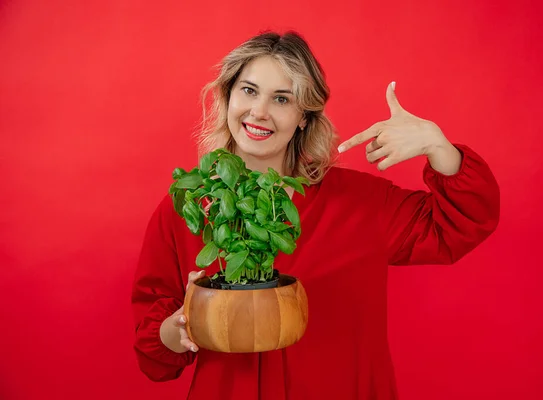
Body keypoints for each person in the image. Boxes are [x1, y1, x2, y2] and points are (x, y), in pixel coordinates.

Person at [131, 31, 500, 400]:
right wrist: (180, 326)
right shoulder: (190, 205)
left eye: (281, 98)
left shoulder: (359, 202)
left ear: (304, 117)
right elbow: (153, 353)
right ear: (227, 97)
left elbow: (459, 224)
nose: (259, 111)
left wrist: (439, 146)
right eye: (248, 90)